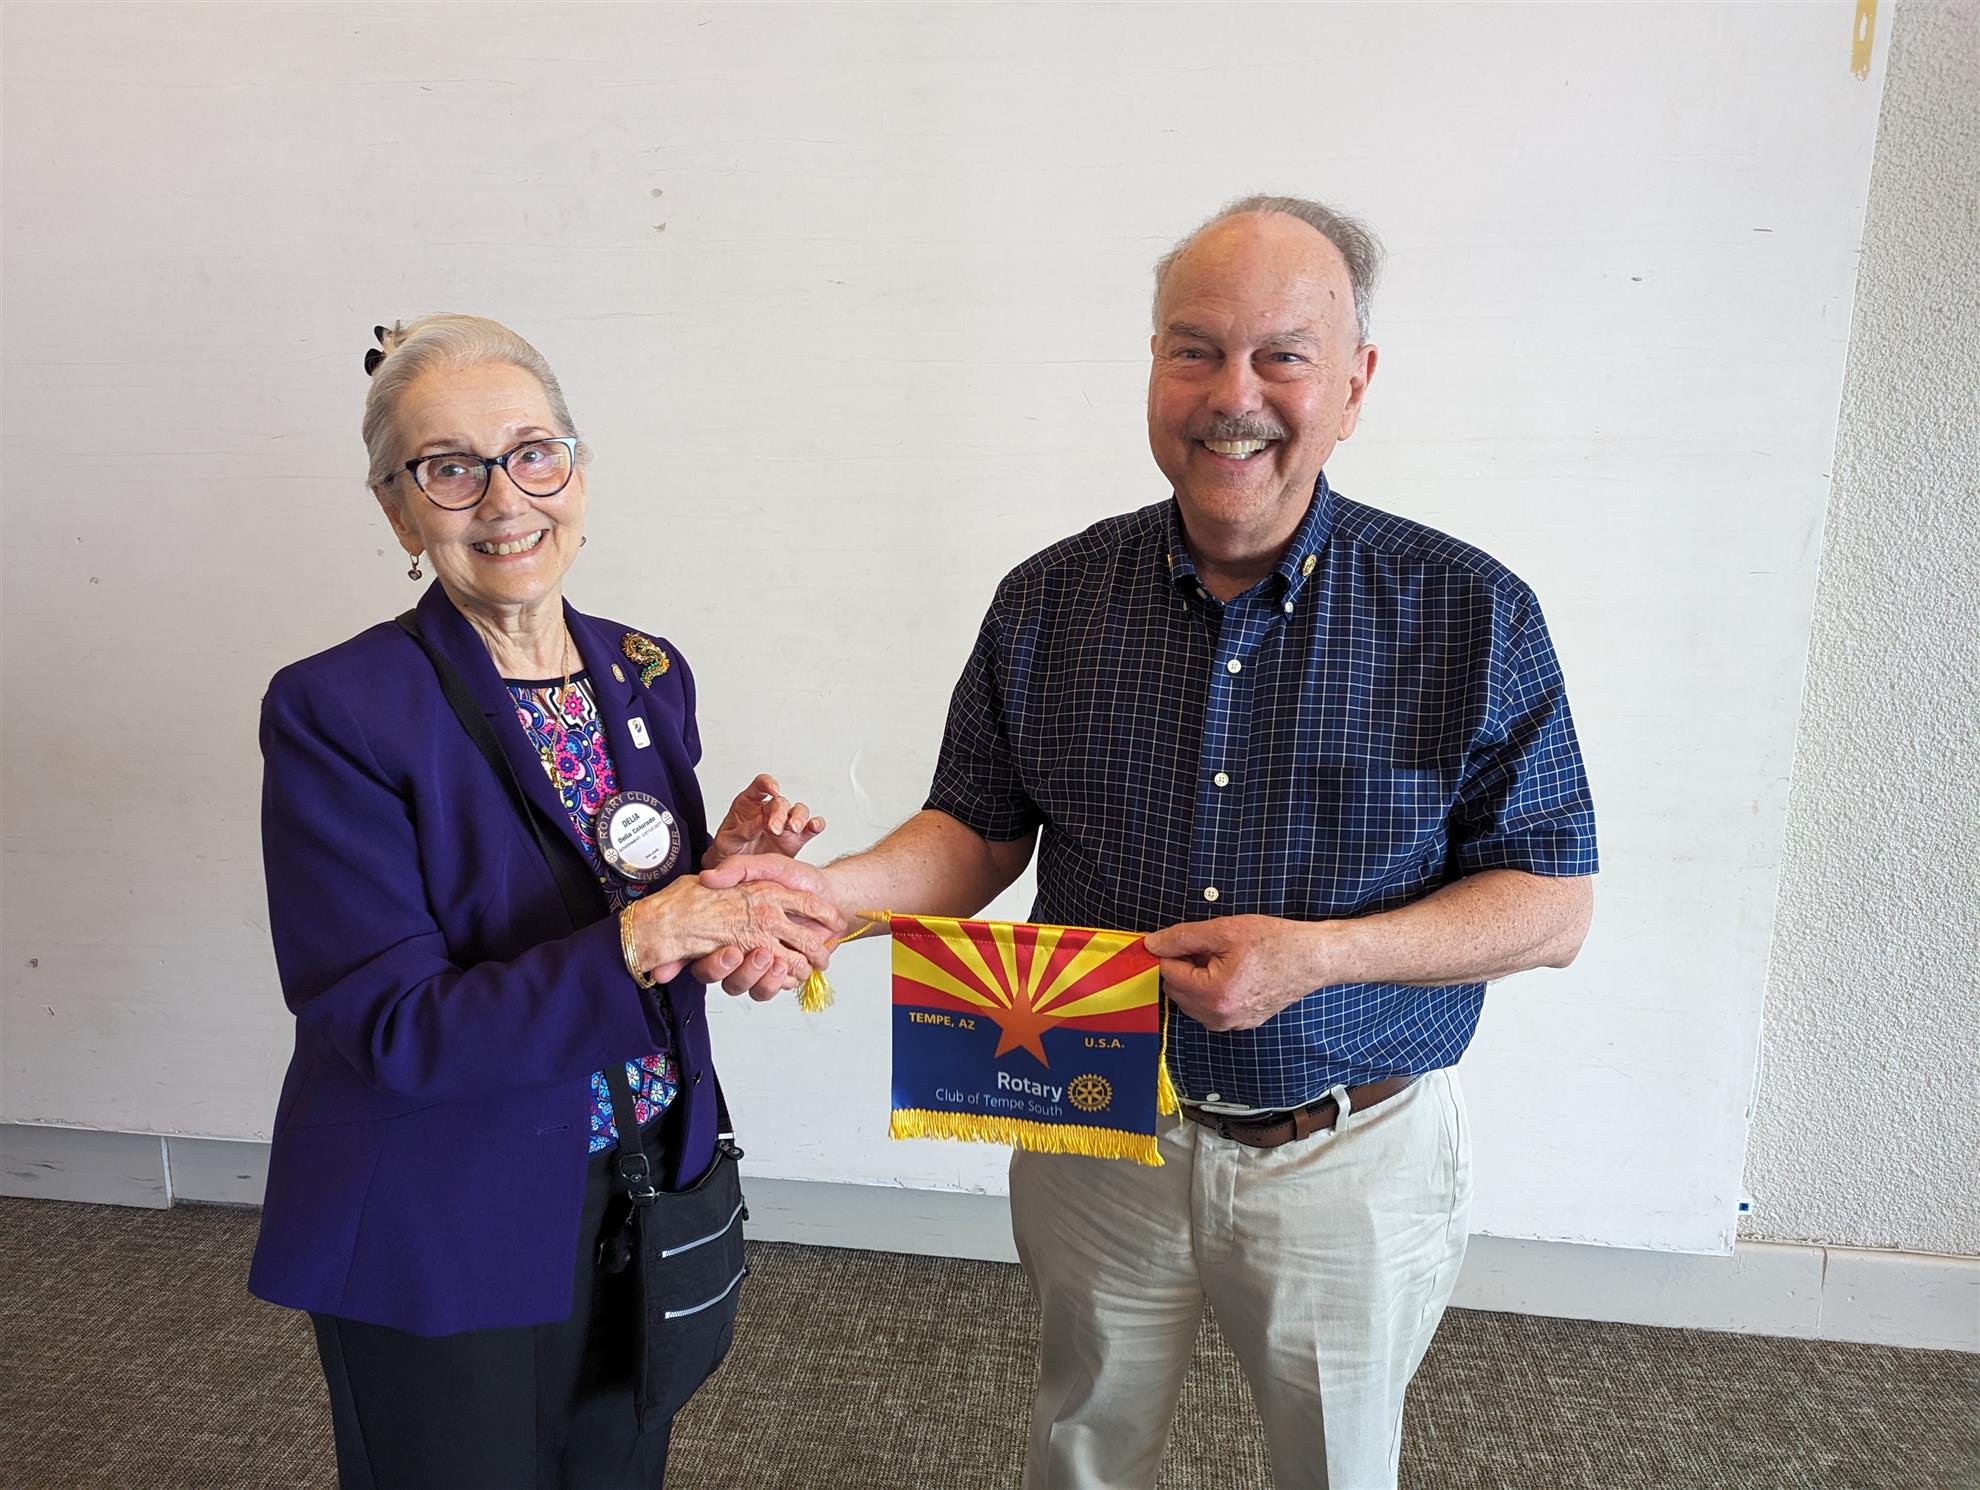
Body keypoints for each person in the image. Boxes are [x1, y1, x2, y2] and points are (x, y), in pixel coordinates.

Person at [711, 196, 1598, 1488]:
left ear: (1355, 384)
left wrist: (1320, 957)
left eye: (1283, 355)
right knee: (1083, 1443)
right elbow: (974, 829)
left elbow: (1552, 904)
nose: (1234, 394)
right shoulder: (1049, 599)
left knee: (1338, 1467)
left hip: (1348, 1149)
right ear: (1152, 366)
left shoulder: (1469, 611)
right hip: (1097, 1123)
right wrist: (825, 895)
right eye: (1196, 349)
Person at [249, 313, 843, 1488]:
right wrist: (646, 930)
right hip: (445, 1204)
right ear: (399, 513)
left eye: (533, 453)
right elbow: (392, 1026)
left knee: (619, 1467)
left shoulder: (645, 668)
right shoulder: (336, 708)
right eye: (449, 468)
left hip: (642, 1177)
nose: (505, 498)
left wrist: (718, 879)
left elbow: (613, 888)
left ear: (577, 470)